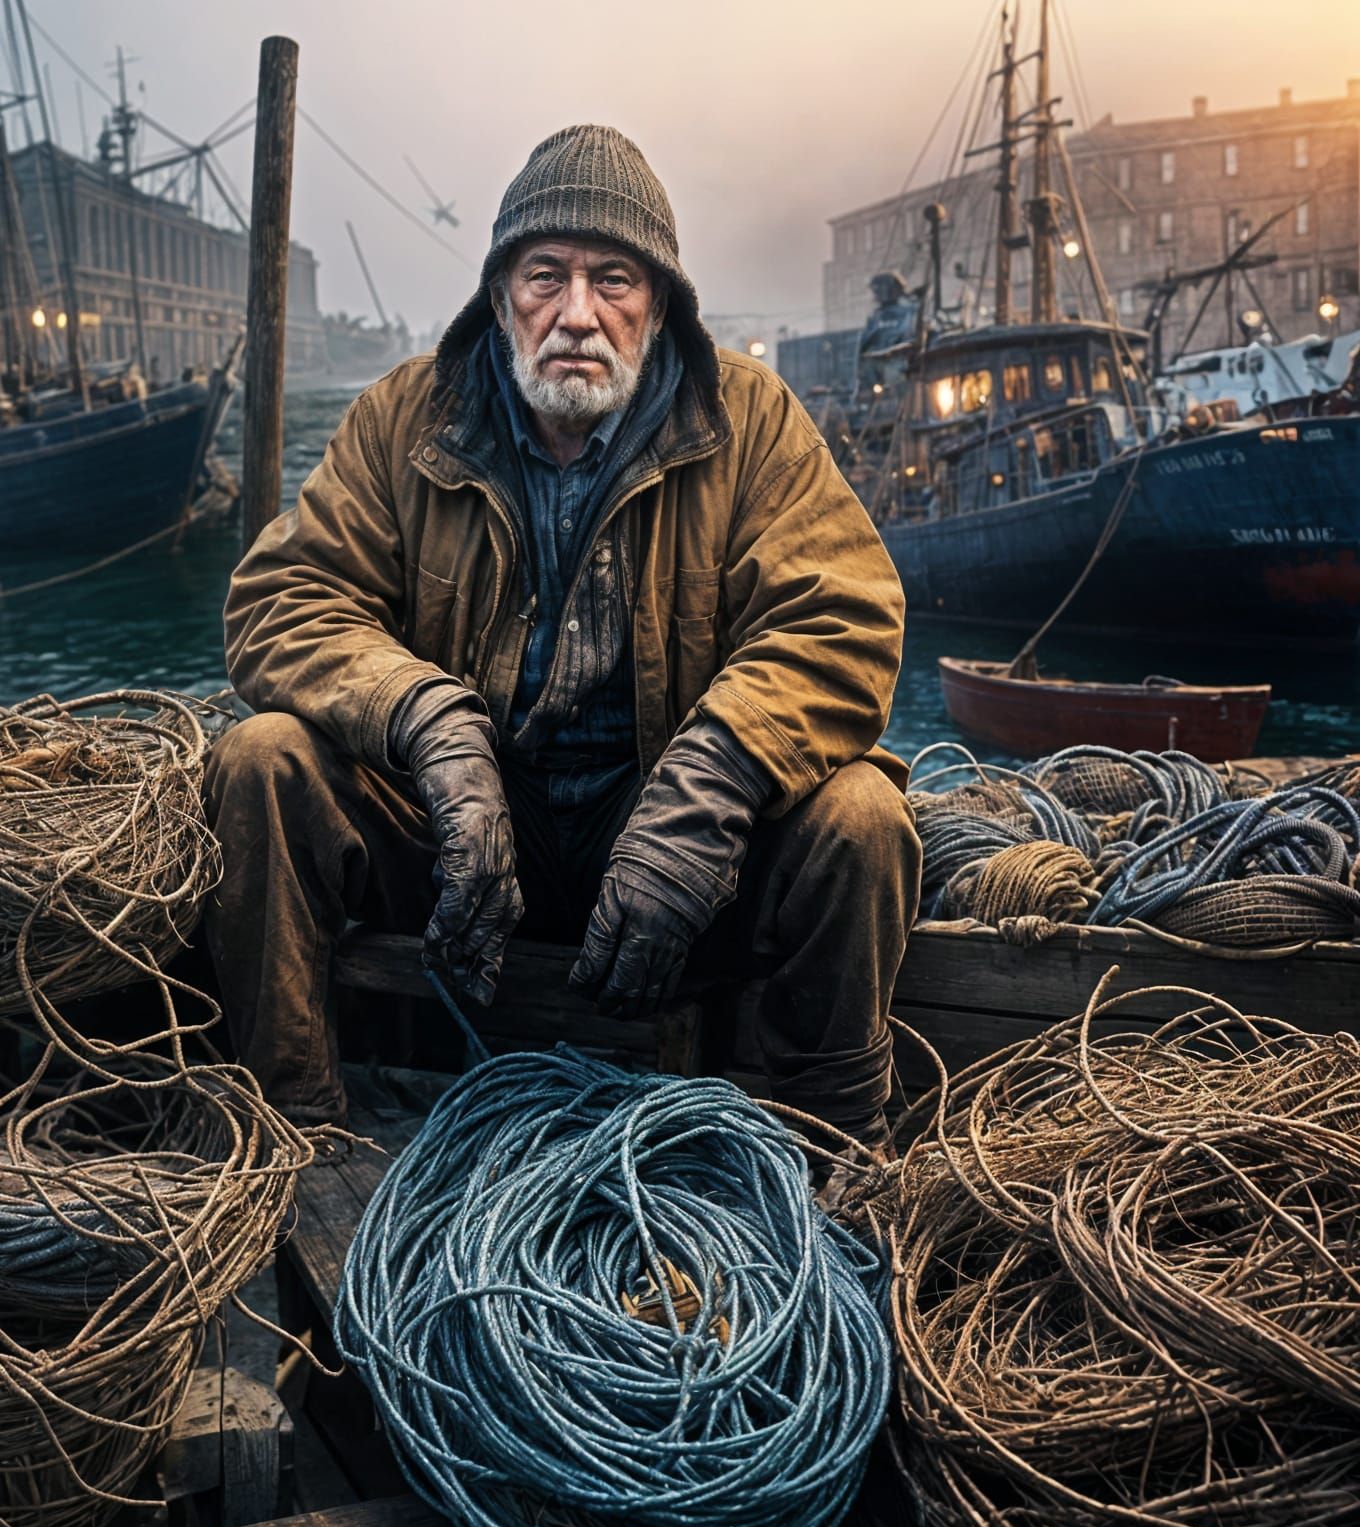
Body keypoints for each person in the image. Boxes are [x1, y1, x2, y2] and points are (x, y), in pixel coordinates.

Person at [205, 124, 920, 1147]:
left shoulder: (750, 420)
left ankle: (830, 1149)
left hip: (675, 848)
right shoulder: (409, 418)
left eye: (614, 280)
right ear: (500, 299)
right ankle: (299, 1134)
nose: (576, 314)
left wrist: (705, 789)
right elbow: (285, 597)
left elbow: (842, 616)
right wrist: (434, 732)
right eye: (546, 276)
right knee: (263, 760)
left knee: (861, 819)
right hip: (464, 843)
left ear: (660, 304)